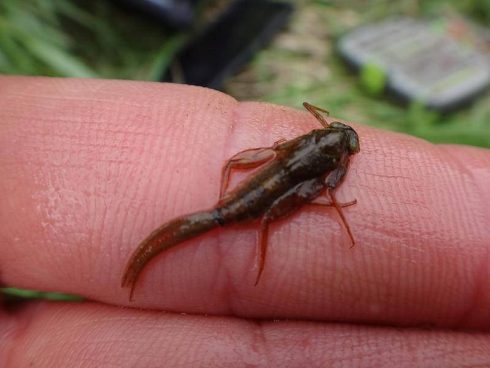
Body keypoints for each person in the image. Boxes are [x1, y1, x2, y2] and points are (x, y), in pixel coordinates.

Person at [0, 76, 489, 367]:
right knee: (216, 219)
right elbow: (320, 186)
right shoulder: (323, 154)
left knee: (217, 219)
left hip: (253, 198)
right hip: (255, 198)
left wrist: (325, 200)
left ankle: (177, 239)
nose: (338, 138)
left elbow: (315, 185)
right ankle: (162, 245)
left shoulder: (309, 148)